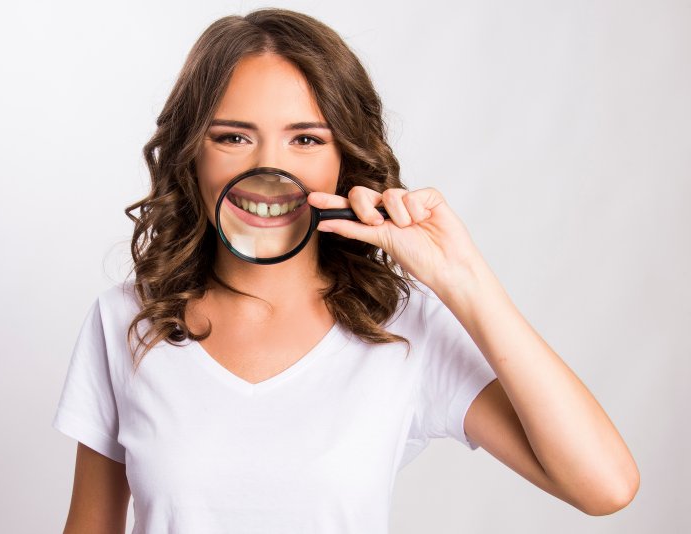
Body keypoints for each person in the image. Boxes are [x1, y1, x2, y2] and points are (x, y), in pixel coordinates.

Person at [52, 8, 639, 533]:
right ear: (192, 152)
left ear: (343, 160)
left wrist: (466, 282)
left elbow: (604, 488)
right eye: (233, 136)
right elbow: (92, 526)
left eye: (305, 138)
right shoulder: (128, 318)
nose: (267, 168)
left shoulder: (405, 328)